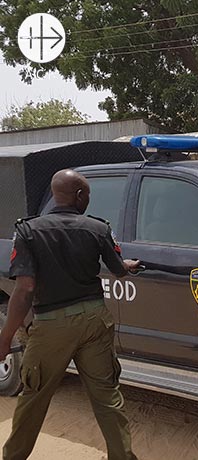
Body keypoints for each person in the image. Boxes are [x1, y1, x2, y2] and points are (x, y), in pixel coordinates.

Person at [0, 169, 140, 460]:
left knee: (34, 398)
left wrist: (5, 339)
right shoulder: (98, 228)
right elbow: (117, 271)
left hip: (51, 327)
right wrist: (127, 265)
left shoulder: (28, 231)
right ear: (79, 195)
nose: (88, 199)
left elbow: (25, 290)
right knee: (107, 397)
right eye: (87, 194)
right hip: (94, 321)